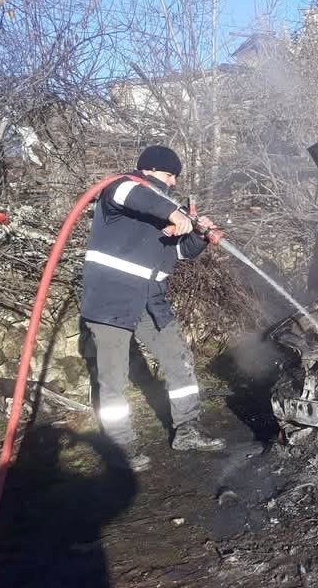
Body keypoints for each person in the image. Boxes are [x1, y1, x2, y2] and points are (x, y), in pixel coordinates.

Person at [80, 145, 225, 472]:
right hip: (111, 298)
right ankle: (121, 447)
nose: (172, 183)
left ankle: (187, 429)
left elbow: (180, 254)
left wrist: (199, 235)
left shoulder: (162, 209)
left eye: (175, 178)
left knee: (178, 357)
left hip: (150, 299)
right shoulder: (122, 189)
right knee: (113, 376)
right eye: (168, 175)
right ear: (149, 170)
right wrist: (174, 213)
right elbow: (133, 192)